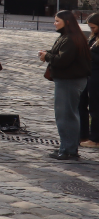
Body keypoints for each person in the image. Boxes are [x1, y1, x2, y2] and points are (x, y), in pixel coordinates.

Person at [38, 9, 92, 160]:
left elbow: (63, 60)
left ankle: (69, 150)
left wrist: (47, 56)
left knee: (66, 115)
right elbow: (61, 54)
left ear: (67, 22)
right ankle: (66, 147)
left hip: (70, 80)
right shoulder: (67, 37)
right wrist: (48, 53)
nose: (54, 24)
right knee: (67, 114)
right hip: (68, 79)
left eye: (57, 21)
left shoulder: (70, 39)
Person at [81, 13, 99, 148]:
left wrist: (88, 53)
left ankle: (95, 139)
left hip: (96, 76)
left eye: (93, 27)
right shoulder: (94, 38)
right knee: (86, 106)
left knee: (95, 108)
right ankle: (87, 135)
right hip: (90, 74)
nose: (91, 30)